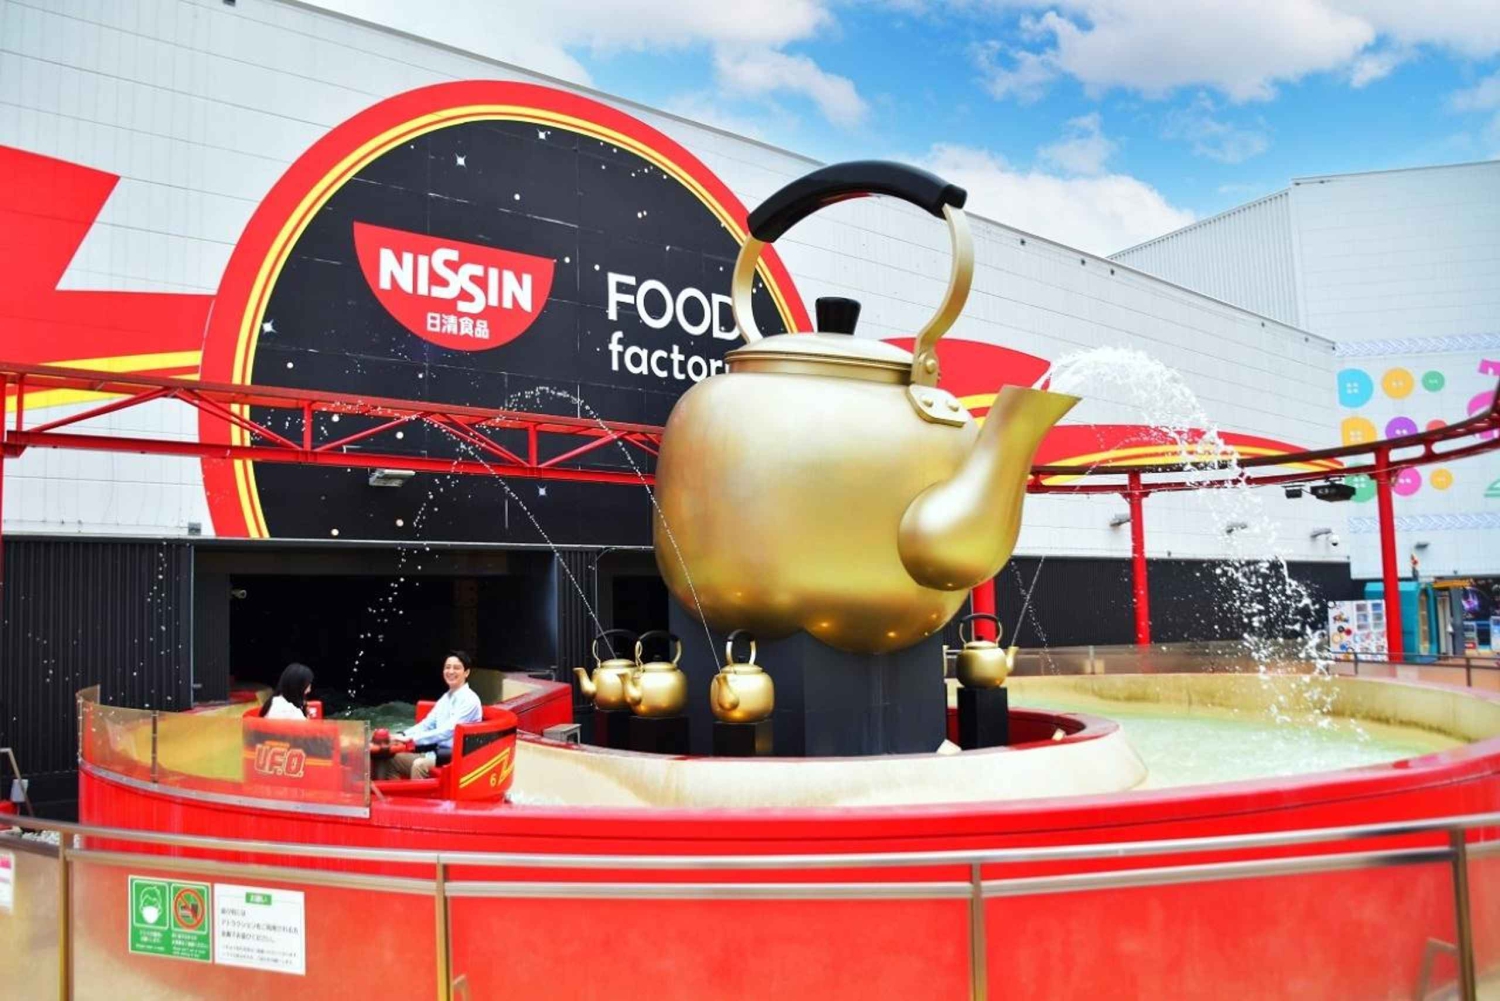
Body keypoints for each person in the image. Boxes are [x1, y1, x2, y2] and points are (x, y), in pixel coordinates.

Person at [376, 651, 482, 780]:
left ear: (466, 672)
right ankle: (390, 793)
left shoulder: (470, 700)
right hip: (435, 753)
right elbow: (426, 725)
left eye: (456, 668)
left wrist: (411, 739)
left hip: (457, 758)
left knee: (419, 765)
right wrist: (402, 735)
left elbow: (447, 731)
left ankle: (417, 794)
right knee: (392, 759)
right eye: (447, 667)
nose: (451, 671)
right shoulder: (446, 698)